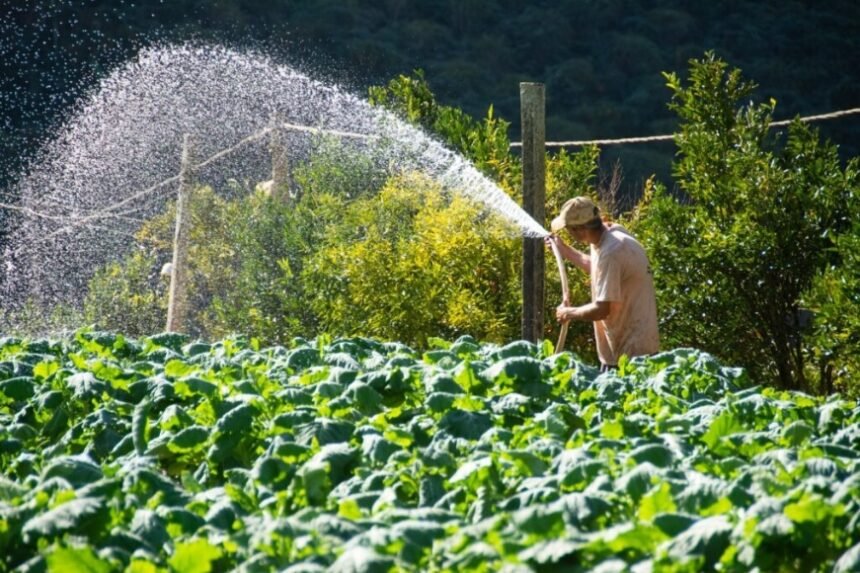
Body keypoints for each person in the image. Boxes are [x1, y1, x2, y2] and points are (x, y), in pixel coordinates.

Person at [546, 196, 659, 371]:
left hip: (631, 357)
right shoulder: (610, 234)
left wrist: (568, 313)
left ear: (580, 229)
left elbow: (602, 310)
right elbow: (600, 269)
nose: (567, 232)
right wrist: (564, 249)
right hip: (634, 350)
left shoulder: (611, 253)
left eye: (568, 229)